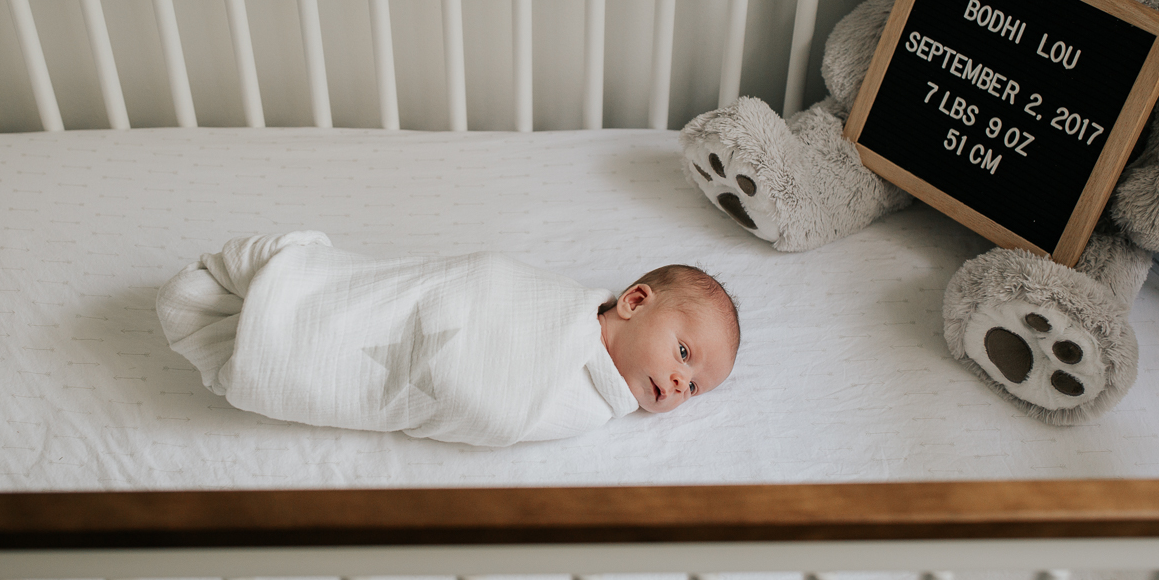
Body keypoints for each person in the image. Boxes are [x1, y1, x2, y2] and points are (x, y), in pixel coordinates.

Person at [156, 232, 738, 446]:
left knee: (349, 371)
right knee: (378, 303)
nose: (683, 383)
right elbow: (478, 286)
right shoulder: (555, 303)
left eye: (696, 386)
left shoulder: (586, 406)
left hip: (423, 375)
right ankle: (298, 290)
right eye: (685, 354)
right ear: (635, 302)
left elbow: (496, 409)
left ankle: (278, 345)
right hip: (435, 306)